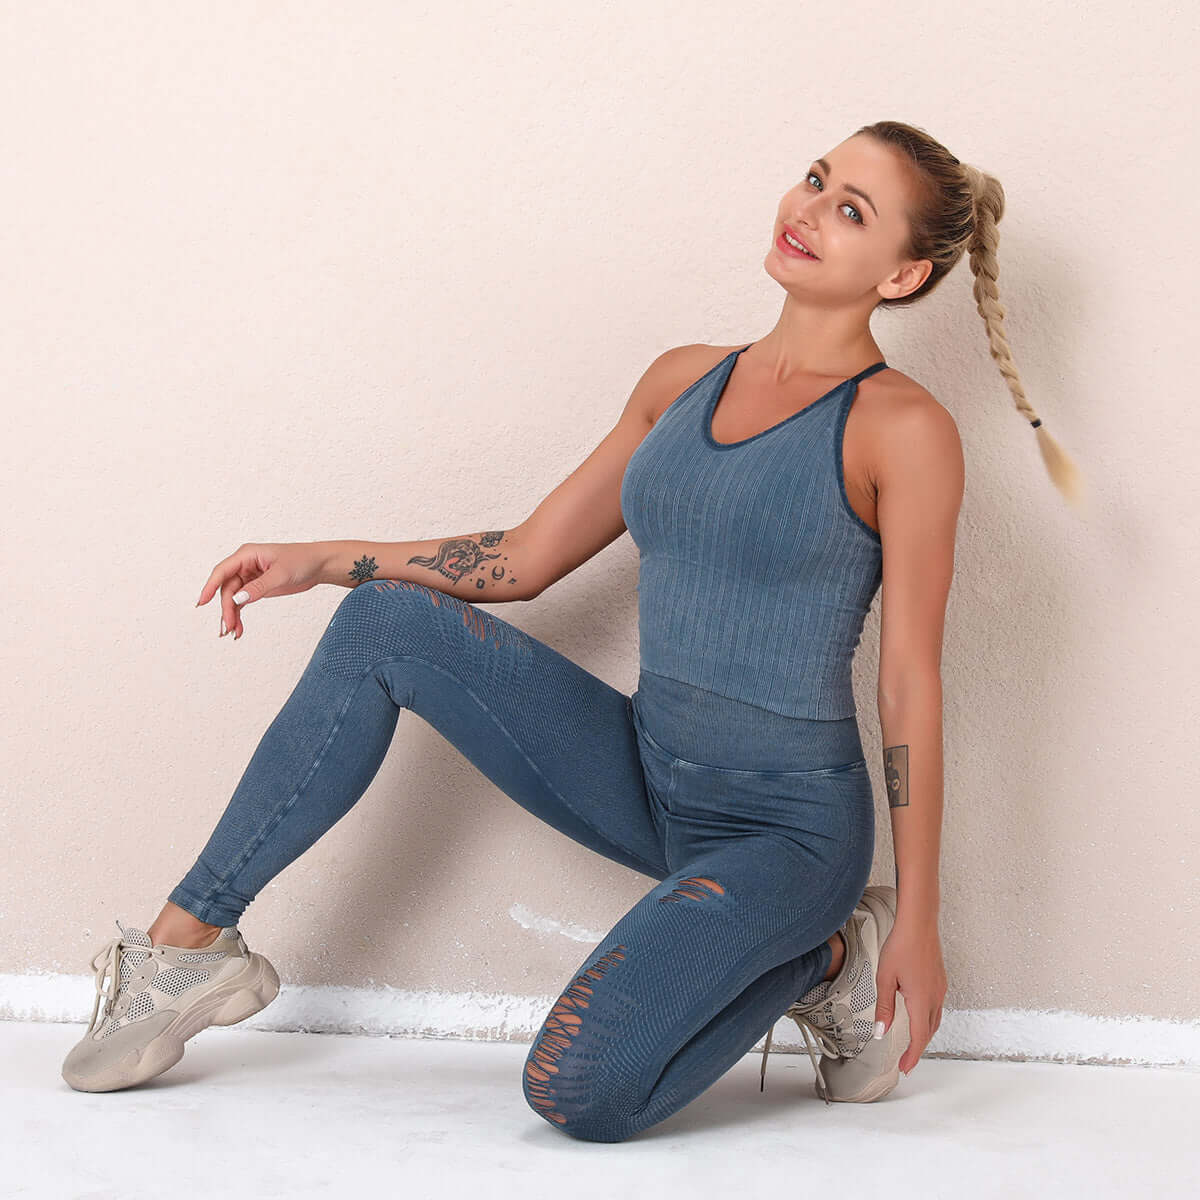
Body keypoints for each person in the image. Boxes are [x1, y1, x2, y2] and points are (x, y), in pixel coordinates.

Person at [62, 120, 1082, 1139]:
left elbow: (907, 681)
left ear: (901, 276)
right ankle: (187, 946)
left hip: (786, 834)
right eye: (815, 180)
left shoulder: (901, 429)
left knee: (579, 1093)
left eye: (851, 210)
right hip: (647, 772)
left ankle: (828, 956)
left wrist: (921, 918)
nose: (808, 210)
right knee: (382, 624)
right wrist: (326, 560)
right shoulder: (681, 380)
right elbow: (525, 559)